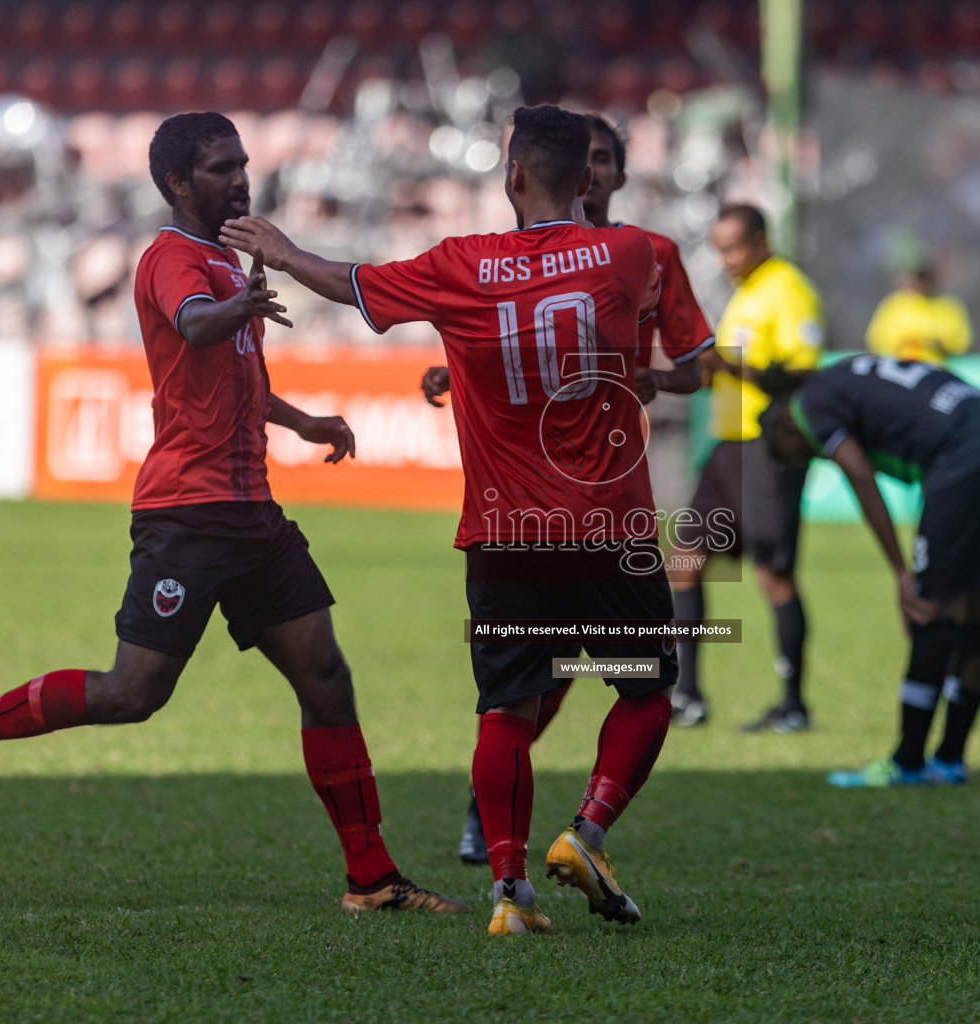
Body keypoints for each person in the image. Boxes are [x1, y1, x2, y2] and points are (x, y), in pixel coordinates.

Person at [0, 112, 466, 915]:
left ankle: (371, 878)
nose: (242, 178)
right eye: (223, 168)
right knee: (134, 693)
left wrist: (305, 422)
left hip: (252, 513)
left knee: (325, 677)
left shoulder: (227, 265)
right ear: (177, 184)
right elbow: (195, 328)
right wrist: (245, 304)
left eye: (243, 163)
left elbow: (233, 377)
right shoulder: (170, 260)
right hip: (187, 513)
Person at [221, 104, 708, 936]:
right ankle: (588, 831)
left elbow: (353, 282)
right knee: (647, 692)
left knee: (508, 711)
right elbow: (627, 348)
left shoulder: (461, 267)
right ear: (590, 180)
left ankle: (509, 891)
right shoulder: (633, 254)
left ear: (510, 176)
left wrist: (280, 251)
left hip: (504, 532)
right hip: (609, 528)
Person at [420, 113, 714, 866]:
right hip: (561, 506)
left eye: (607, 157)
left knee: (552, 677)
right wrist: (454, 371)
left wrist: (655, 377)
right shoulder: (518, 260)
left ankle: (506, 845)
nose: (597, 169)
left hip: (603, 483)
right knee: (554, 681)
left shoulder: (650, 255)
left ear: (614, 172)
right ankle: (497, 821)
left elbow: (700, 364)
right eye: (588, 157)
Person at [760, 356, 980, 786]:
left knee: (928, 606)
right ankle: (949, 760)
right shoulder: (841, 375)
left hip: (965, 451)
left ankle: (908, 763)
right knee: (979, 605)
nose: (809, 458)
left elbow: (861, 476)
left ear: (785, 426)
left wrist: (900, 573)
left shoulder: (808, 407)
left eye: (798, 456)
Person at [670, 204, 825, 732]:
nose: (726, 259)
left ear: (761, 241)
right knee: (684, 561)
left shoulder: (789, 290)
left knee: (772, 574)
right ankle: (687, 694)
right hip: (727, 444)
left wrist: (728, 364)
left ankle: (793, 704)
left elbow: (802, 375)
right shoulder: (746, 292)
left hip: (768, 447)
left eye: (733, 247)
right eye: (719, 249)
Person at [864, 261, 973, 366]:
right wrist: (905, 344)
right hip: (898, 365)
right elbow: (876, 338)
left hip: (937, 366)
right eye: (919, 281)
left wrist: (934, 345)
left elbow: (960, 342)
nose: (922, 286)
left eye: (926, 281)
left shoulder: (949, 307)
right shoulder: (895, 304)